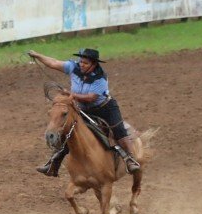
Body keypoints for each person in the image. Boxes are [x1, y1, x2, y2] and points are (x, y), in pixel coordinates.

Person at [27, 48, 141, 176]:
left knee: (119, 131)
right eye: (81, 61)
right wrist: (37, 55)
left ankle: (131, 159)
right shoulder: (73, 67)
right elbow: (53, 63)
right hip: (82, 108)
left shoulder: (100, 78)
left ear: (93, 64)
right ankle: (53, 163)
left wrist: (71, 95)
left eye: (85, 63)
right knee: (68, 129)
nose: (81, 64)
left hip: (105, 108)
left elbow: (91, 97)